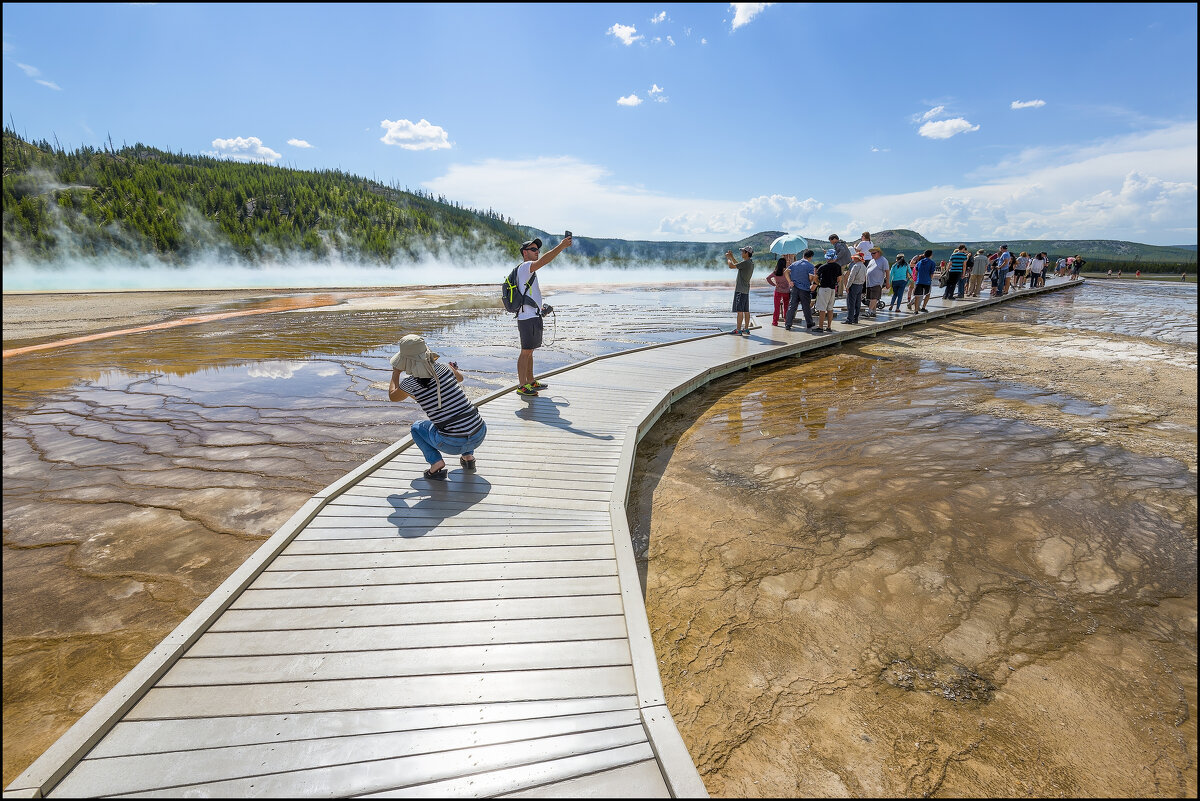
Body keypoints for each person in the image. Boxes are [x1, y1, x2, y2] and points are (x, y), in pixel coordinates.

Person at [388, 334, 487, 480]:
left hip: (453, 444)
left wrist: (395, 373)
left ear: (405, 361)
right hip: (479, 432)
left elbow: (393, 396)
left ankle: (436, 463)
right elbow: (460, 378)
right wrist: (453, 370)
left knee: (417, 427)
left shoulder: (410, 384)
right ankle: (468, 458)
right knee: (461, 416)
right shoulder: (445, 368)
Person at [513, 235, 572, 397]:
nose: (537, 251)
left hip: (533, 315)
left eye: (538, 249)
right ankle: (522, 385)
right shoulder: (525, 266)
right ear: (525, 253)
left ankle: (530, 381)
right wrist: (561, 246)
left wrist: (541, 308)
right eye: (533, 249)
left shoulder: (528, 269)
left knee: (530, 350)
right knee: (525, 351)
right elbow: (544, 261)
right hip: (527, 318)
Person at [724, 245, 756, 336]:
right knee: (746, 310)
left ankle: (738, 330)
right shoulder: (749, 262)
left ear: (746, 253)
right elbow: (738, 265)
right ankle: (746, 329)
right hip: (745, 290)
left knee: (739, 311)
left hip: (740, 290)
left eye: (742, 252)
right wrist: (732, 257)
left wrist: (728, 258)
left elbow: (731, 266)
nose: (741, 253)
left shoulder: (746, 263)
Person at [785, 249, 817, 331]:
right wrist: (811, 281)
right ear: (811, 257)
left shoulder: (794, 264)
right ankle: (809, 323)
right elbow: (810, 278)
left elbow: (786, 272)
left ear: (803, 255)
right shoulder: (810, 266)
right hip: (805, 289)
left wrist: (790, 281)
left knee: (792, 306)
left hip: (795, 288)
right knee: (806, 307)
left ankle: (788, 324)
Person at [814, 248, 842, 332]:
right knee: (830, 308)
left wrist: (818, 283)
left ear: (827, 258)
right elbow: (839, 279)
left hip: (824, 288)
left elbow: (815, 278)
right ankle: (829, 327)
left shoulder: (823, 267)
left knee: (822, 309)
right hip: (832, 289)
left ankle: (821, 327)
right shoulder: (838, 266)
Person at [767, 256, 793, 326]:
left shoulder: (775, 272)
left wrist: (774, 284)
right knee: (786, 307)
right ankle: (786, 321)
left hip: (778, 291)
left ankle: (775, 322)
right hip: (786, 291)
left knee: (777, 307)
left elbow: (768, 278)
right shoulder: (787, 271)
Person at [844, 252, 868, 324]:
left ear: (857, 258)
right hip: (860, 285)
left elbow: (851, 277)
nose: (853, 259)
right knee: (858, 303)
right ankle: (855, 318)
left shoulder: (855, 266)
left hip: (854, 285)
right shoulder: (864, 267)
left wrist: (847, 286)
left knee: (851, 303)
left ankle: (849, 319)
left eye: (854, 258)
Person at [865, 245, 888, 317]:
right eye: (871, 253)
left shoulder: (883, 260)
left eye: (873, 253)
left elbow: (887, 271)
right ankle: (873, 312)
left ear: (878, 253)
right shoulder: (872, 261)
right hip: (869, 283)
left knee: (874, 298)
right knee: (871, 298)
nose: (872, 255)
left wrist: (887, 282)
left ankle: (869, 311)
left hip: (877, 282)